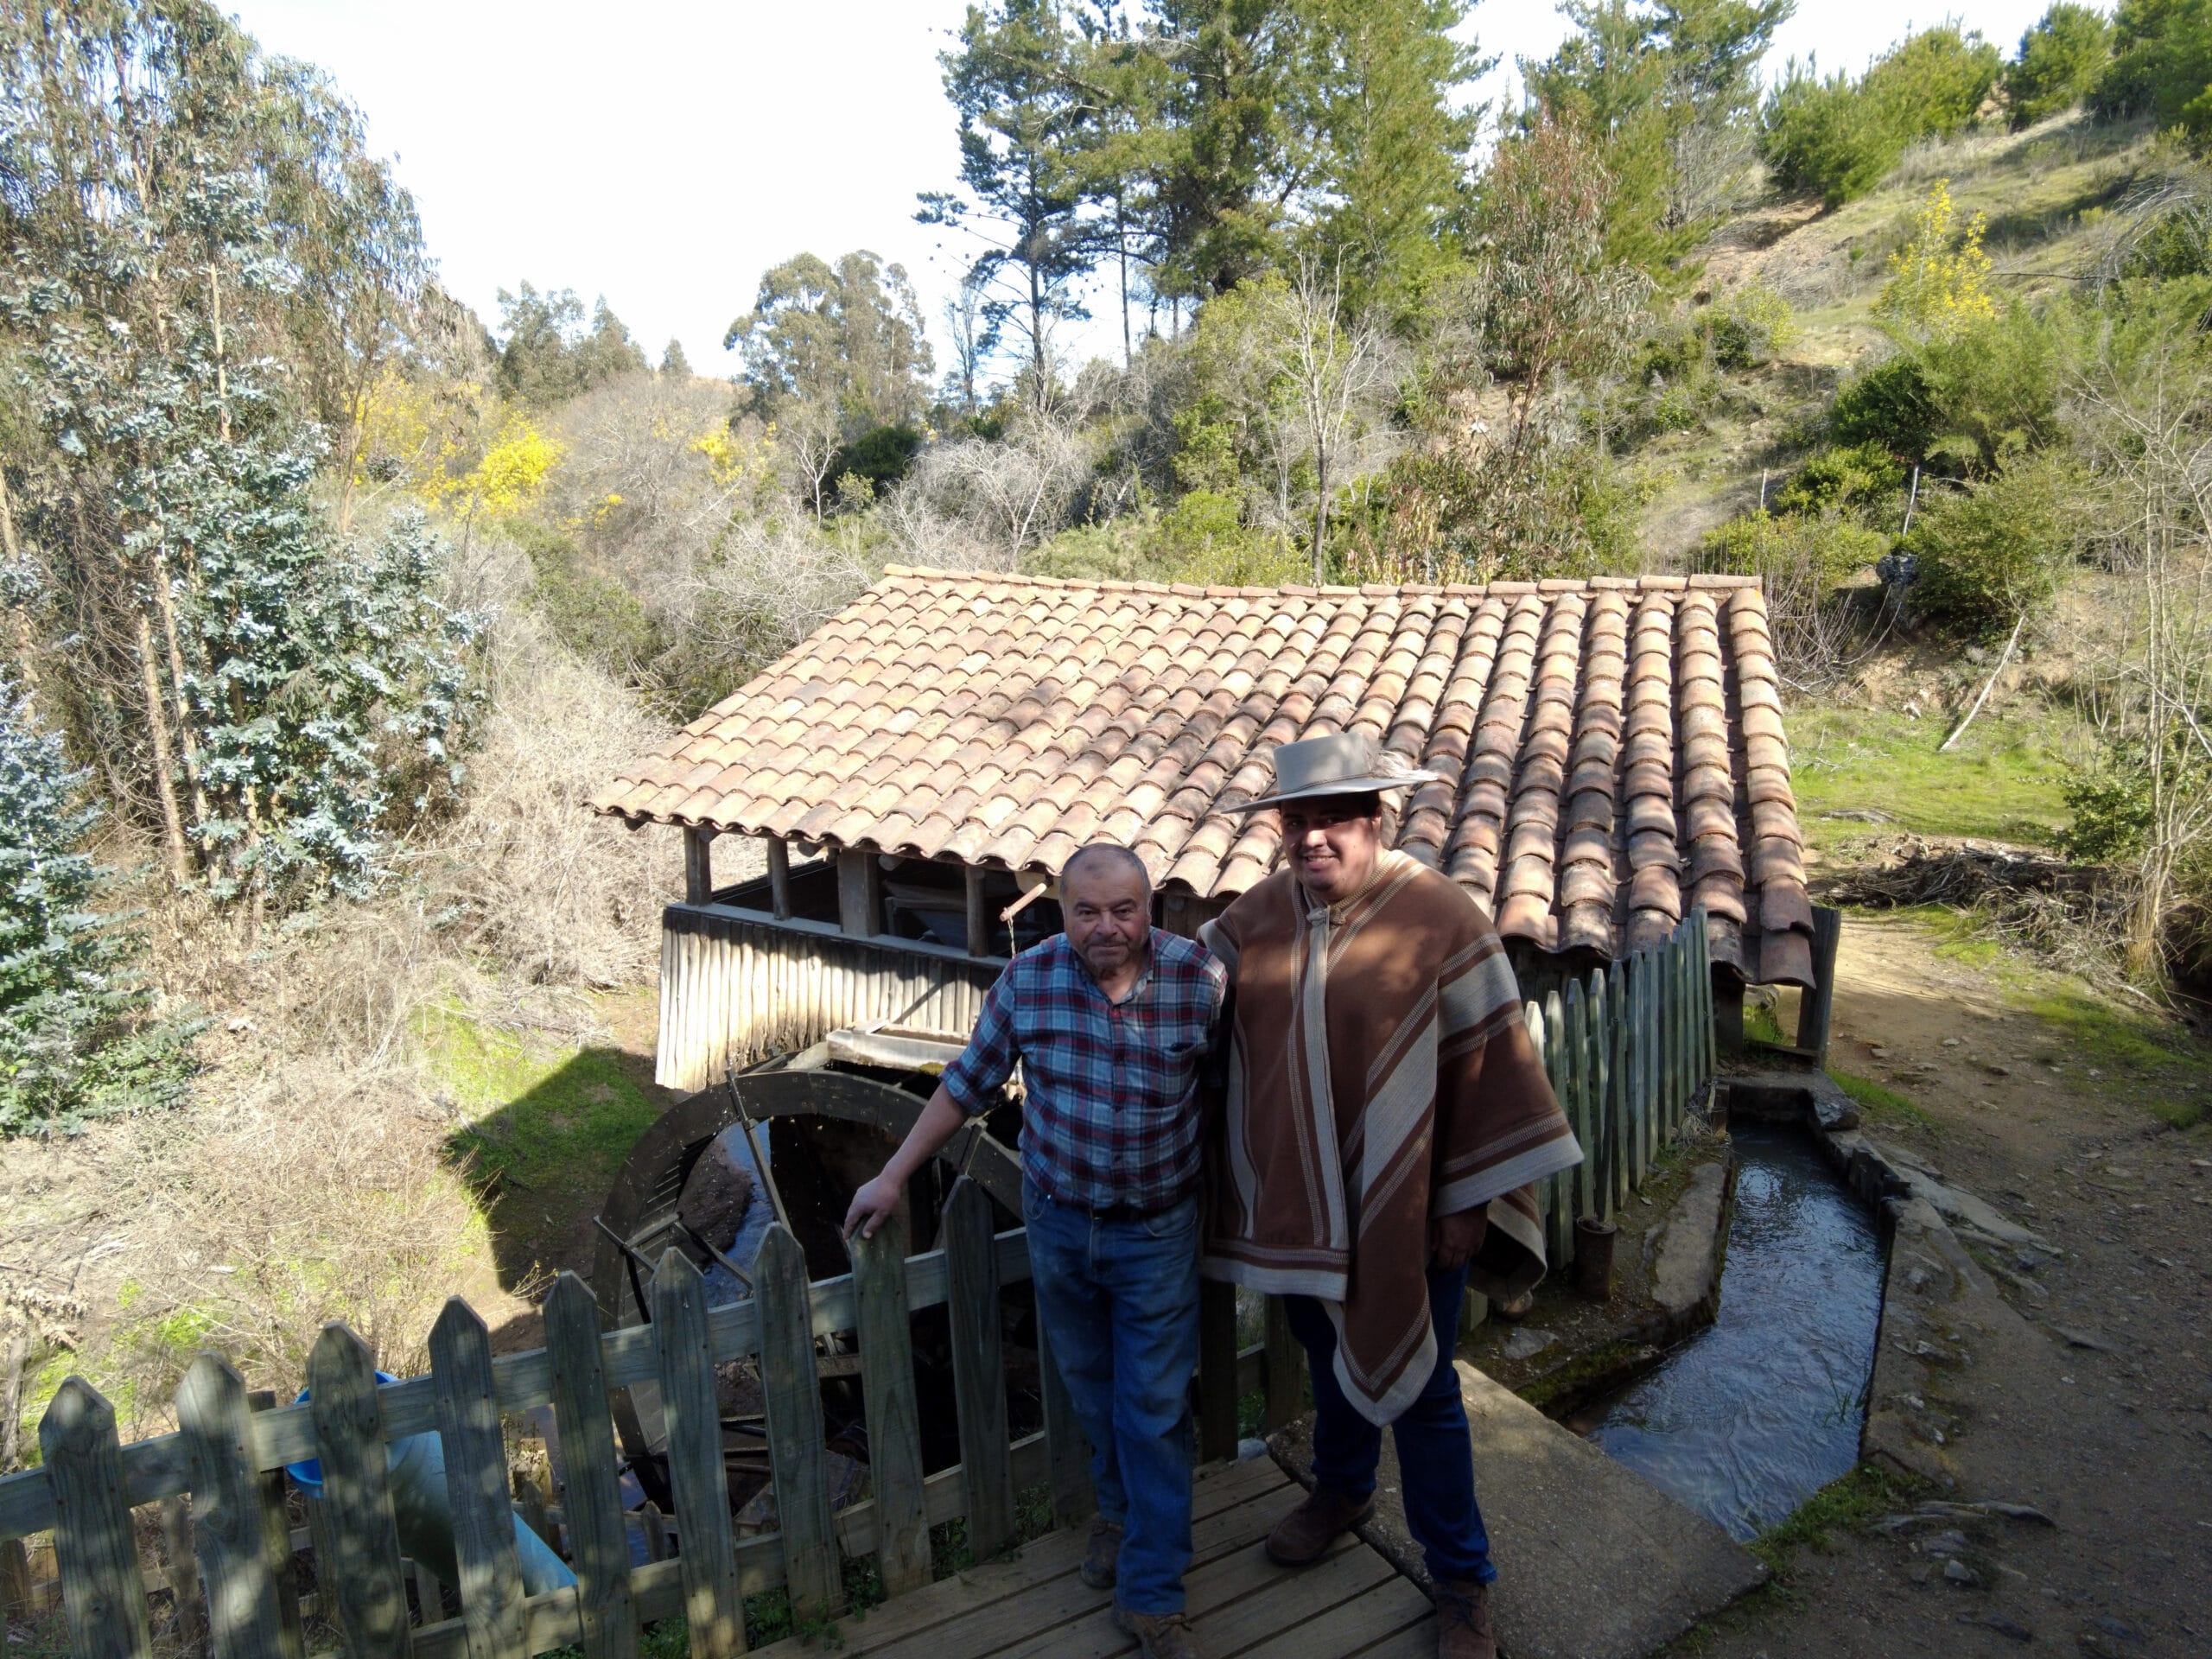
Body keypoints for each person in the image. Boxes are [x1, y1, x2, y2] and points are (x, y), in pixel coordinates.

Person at [1197, 733, 1582, 1659]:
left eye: (1333, 818)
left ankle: (1461, 1581)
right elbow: (1181, 985)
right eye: (1297, 821)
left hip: (1408, 1206)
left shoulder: (1438, 918)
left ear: (1376, 819)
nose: (1313, 838)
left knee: (1422, 1393)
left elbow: (1490, 1067)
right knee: (1328, 1356)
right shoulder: (1258, 916)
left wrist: (1464, 1204)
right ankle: (1341, 1489)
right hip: (1296, 1208)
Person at [844, 842, 1226, 1659]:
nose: (1107, 928)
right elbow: (965, 1085)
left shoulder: (1201, 982)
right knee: (1092, 1392)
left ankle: (1154, 1594)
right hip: (1060, 1224)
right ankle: (1120, 1520)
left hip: (1157, 1231)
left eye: (1124, 909)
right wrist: (889, 1176)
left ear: (1149, 908)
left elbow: (1238, 1091)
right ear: (1062, 912)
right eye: (1087, 911)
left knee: (1154, 1410)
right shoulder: (1029, 980)